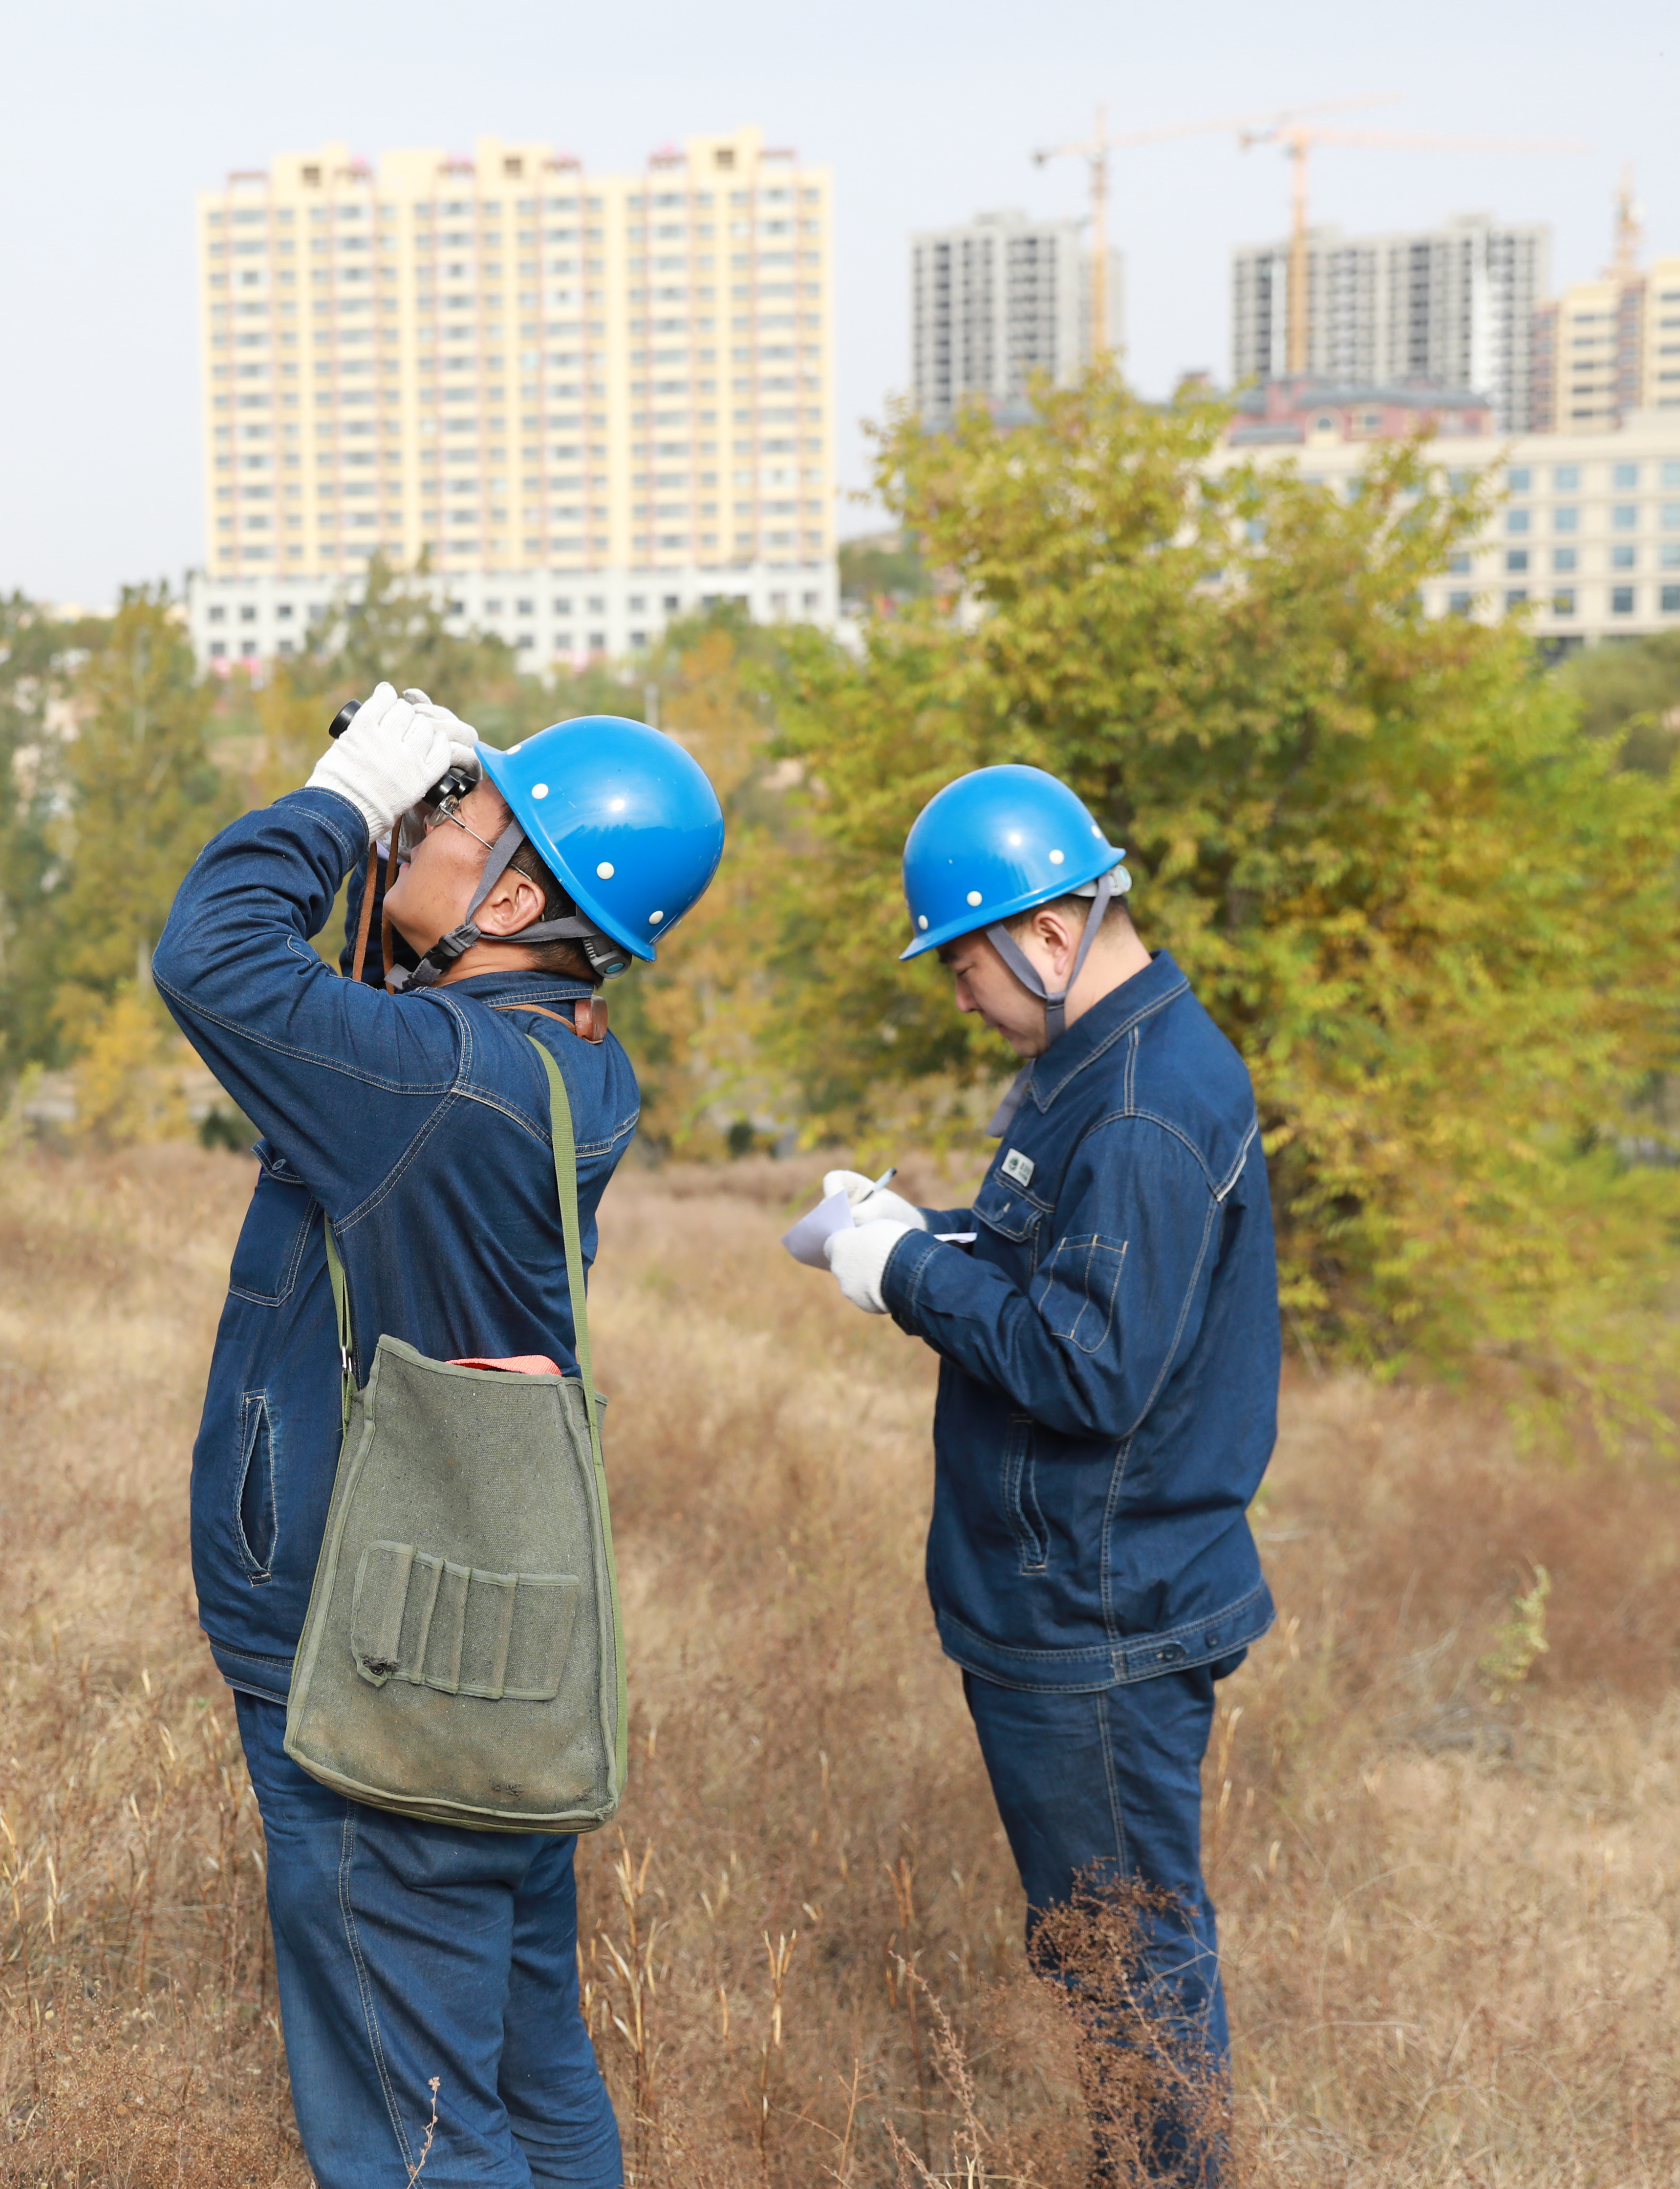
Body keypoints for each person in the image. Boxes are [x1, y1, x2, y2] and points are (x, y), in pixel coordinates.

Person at [151, 685, 725, 2189]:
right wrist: (421, 839)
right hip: (498, 1650)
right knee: (531, 2068)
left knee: (418, 2125)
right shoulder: (556, 1064)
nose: (425, 818)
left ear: (521, 891)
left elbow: (208, 955)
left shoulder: (430, 1087)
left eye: (458, 815)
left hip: (372, 1645)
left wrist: (343, 805)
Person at [815, 763, 1277, 2184]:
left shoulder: (1137, 1103)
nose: (960, 994)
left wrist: (901, 1279)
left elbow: (1090, 1368)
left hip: (1100, 1614)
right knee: (1106, 1959)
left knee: (1129, 1977)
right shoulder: (1096, 1070)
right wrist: (930, 1236)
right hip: (1073, 1600)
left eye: (963, 960)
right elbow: (1063, 1269)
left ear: (1049, 932)